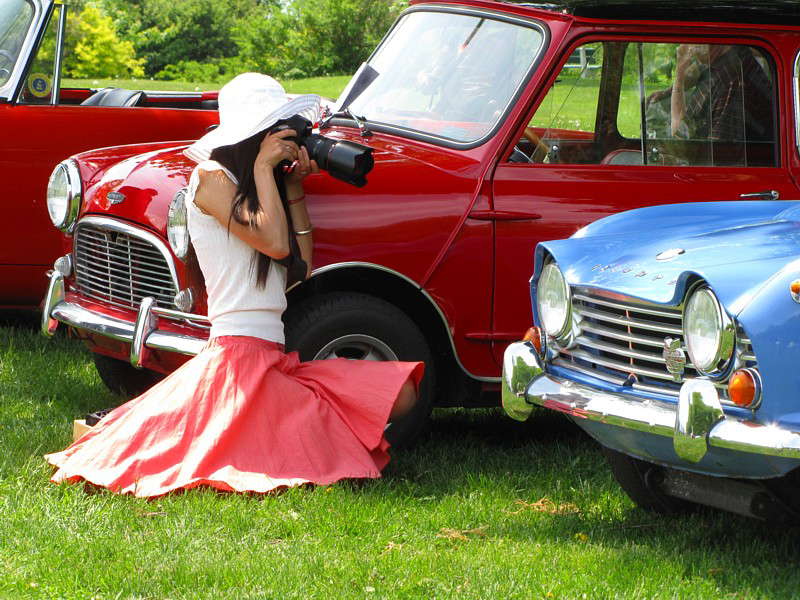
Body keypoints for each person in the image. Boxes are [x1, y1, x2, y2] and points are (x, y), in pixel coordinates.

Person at [45, 73, 424, 498]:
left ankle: (293, 431)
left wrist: (293, 187)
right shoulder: (209, 179)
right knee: (238, 442)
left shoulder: (261, 189)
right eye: (275, 132)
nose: (283, 142)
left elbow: (298, 267)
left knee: (403, 393)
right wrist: (265, 167)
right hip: (235, 356)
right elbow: (275, 242)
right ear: (253, 135)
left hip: (275, 359)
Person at [670, 43, 773, 143]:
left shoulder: (731, 81)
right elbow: (691, 74)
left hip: (706, 156)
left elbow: (719, 154)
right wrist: (671, 86)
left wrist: (679, 72)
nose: (683, 45)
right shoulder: (725, 55)